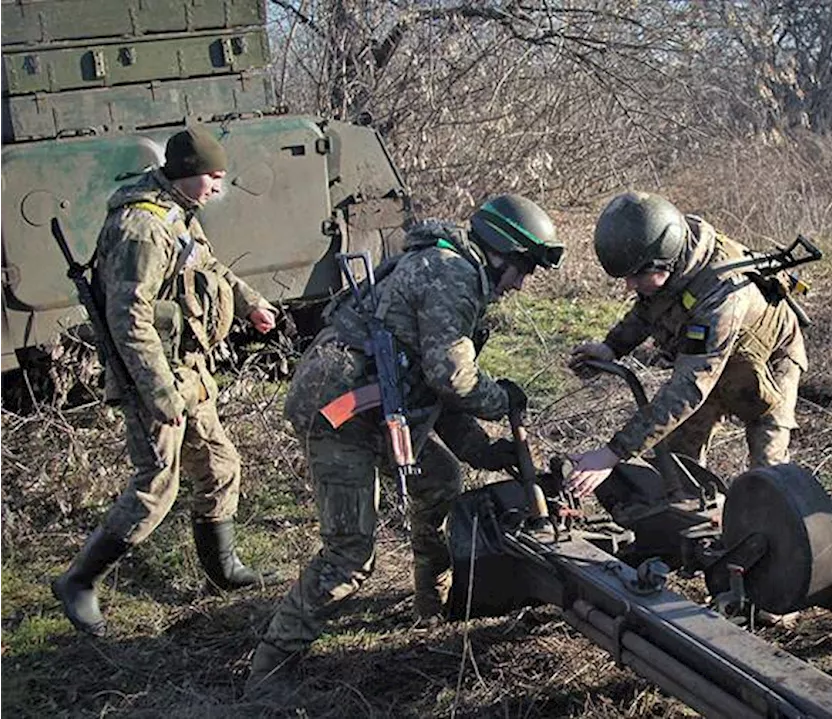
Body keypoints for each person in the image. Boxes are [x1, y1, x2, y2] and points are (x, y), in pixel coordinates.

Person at [247, 194, 564, 689]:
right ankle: (270, 668)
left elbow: (428, 387)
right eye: (521, 269)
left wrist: (485, 451)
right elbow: (451, 378)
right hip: (340, 414)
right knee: (351, 555)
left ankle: (430, 602)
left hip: (380, 407)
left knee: (440, 479)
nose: (521, 283)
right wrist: (502, 399)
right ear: (499, 253)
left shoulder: (453, 271)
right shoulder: (453, 275)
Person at [52, 125, 282, 637]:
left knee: (219, 463)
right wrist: (159, 393)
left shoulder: (176, 213)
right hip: (156, 376)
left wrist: (249, 303)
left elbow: (209, 265)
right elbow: (128, 317)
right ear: (185, 174)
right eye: (212, 178)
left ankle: (223, 570)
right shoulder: (143, 228)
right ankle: (80, 580)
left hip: (188, 369)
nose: (218, 188)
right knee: (156, 483)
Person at [566, 191, 808, 499]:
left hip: (767, 363)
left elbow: (689, 388)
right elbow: (650, 307)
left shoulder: (722, 295)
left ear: (664, 262)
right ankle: (694, 526)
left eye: (636, 276)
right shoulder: (672, 250)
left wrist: (614, 452)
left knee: (769, 477)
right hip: (710, 358)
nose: (629, 286)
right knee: (677, 464)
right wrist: (612, 347)